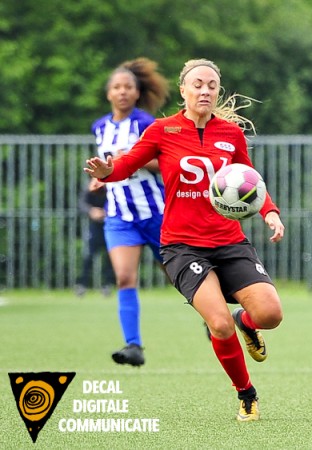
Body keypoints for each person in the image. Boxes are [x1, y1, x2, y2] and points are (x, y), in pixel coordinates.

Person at [84, 58, 285, 422]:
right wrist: (108, 170)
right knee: (218, 324)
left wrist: (269, 210)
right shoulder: (162, 131)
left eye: (211, 84)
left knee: (270, 314)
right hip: (182, 245)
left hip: (229, 241)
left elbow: (248, 180)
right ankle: (247, 393)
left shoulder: (231, 135)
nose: (205, 90)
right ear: (183, 90)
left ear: (217, 90)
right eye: (197, 84)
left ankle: (249, 324)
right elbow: (128, 165)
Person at [92, 57, 170, 367]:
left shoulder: (146, 124)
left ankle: (213, 319)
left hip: (156, 212)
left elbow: (165, 163)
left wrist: (130, 160)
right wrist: (103, 175)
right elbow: (107, 167)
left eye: (128, 87)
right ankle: (133, 345)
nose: (122, 92)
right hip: (120, 216)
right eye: (116, 87)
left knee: (180, 278)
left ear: (137, 93)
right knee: (125, 277)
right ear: (109, 93)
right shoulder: (99, 127)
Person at [75, 180, 116, 297]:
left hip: (112, 225)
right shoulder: (90, 186)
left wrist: (107, 211)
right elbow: (82, 203)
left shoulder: (112, 185)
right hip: (95, 228)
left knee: (111, 258)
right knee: (88, 256)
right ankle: (82, 285)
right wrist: (91, 211)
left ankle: (107, 285)